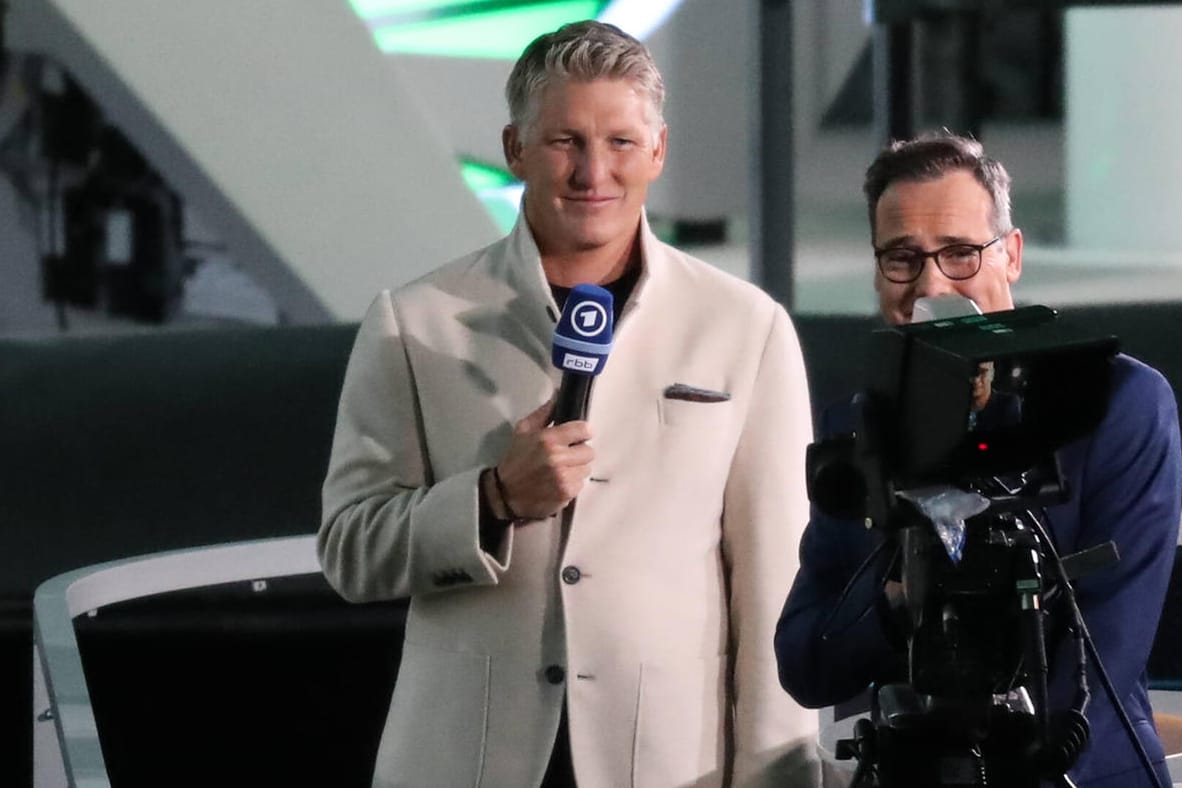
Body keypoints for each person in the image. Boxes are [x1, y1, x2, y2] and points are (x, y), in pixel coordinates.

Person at [319, 20, 819, 788]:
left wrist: (779, 776)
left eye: (620, 142)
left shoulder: (745, 328)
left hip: (669, 766)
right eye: (564, 142)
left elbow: (777, 588)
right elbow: (350, 549)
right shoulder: (414, 320)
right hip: (465, 760)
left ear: (658, 149)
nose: (594, 171)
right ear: (515, 148)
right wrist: (490, 500)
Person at [774, 132, 1182, 787]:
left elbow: (1107, 653)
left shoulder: (1116, 405)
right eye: (902, 258)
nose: (932, 284)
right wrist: (891, 606)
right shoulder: (858, 428)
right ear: (878, 270)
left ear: (1011, 255)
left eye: (961, 254)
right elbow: (804, 659)